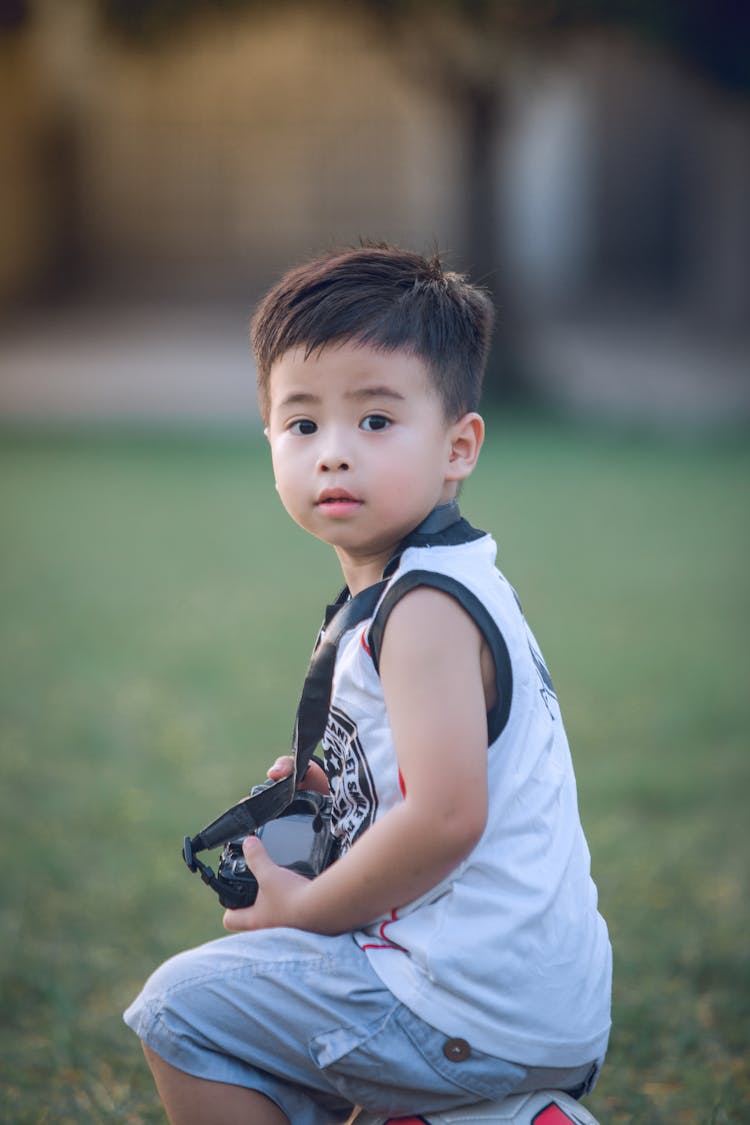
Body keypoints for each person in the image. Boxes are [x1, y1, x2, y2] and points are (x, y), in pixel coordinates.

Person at [124, 244, 612, 1125]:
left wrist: (307, 907)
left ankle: (458, 1098)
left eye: (377, 421)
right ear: (269, 440)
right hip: (524, 994)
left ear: (459, 446)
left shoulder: (421, 609)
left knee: (180, 1010)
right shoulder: (428, 581)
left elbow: (448, 817)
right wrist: (340, 792)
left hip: (465, 1003)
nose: (334, 454)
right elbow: (428, 786)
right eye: (302, 424)